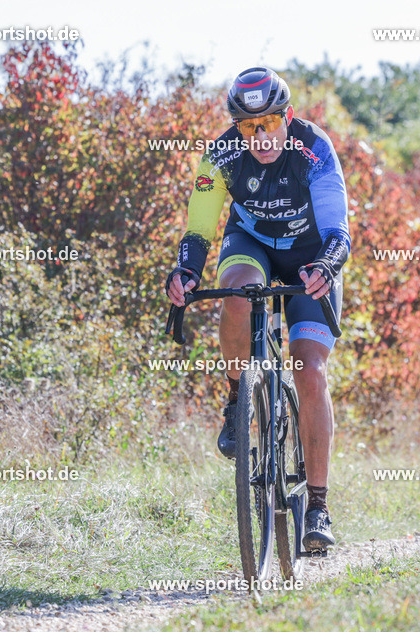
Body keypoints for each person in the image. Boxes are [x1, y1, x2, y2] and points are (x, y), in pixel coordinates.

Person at [164, 66, 350, 551]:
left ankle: (318, 505)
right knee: (238, 294)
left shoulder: (314, 149)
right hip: (252, 245)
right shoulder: (222, 154)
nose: (260, 136)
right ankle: (236, 399)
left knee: (310, 369)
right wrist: (186, 271)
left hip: (311, 255)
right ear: (237, 127)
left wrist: (326, 266)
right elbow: (199, 228)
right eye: (248, 127)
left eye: (268, 123)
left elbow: (338, 232)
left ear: (287, 116)